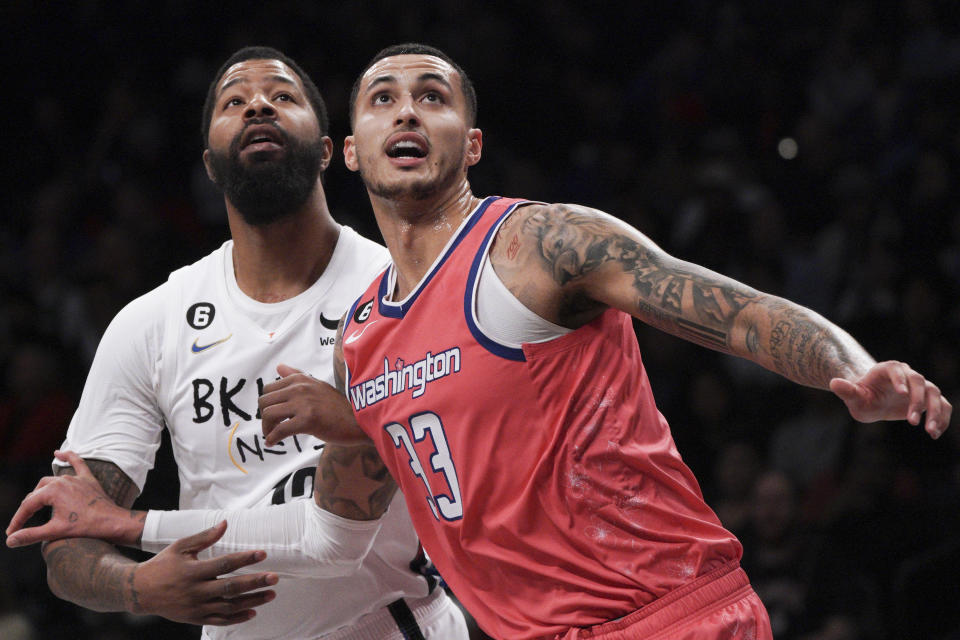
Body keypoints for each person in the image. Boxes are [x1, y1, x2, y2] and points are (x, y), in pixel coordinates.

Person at [9, 43, 951, 640]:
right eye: (382, 98)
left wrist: (848, 368)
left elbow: (728, 306)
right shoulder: (365, 344)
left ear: (472, 143)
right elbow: (323, 536)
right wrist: (132, 533)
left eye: (431, 96)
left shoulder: (541, 243)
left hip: (662, 617)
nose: (407, 111)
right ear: (353, 149)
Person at [6, 46, 468, 640]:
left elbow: (331, 544)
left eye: (282, 97)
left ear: (328, 150)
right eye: (234, 101)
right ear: (211, 164)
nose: (257, 105)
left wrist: (133, 526)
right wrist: (137, 588)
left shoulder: (394, 295)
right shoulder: (153, 322)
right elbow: (70, 532)